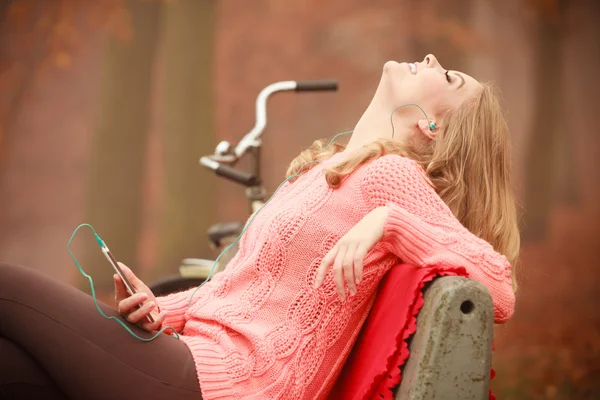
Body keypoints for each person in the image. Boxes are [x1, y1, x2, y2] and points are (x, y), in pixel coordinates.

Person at [0, 54, 519, 400]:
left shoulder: (392, 177)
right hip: (195, 359)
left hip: (232, 386)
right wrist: (165, 310)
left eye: (448, 76)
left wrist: (391, 221)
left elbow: (500, 289)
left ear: (433, 127)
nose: (432, 59)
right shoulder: (328, 170)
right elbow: (245, 291)